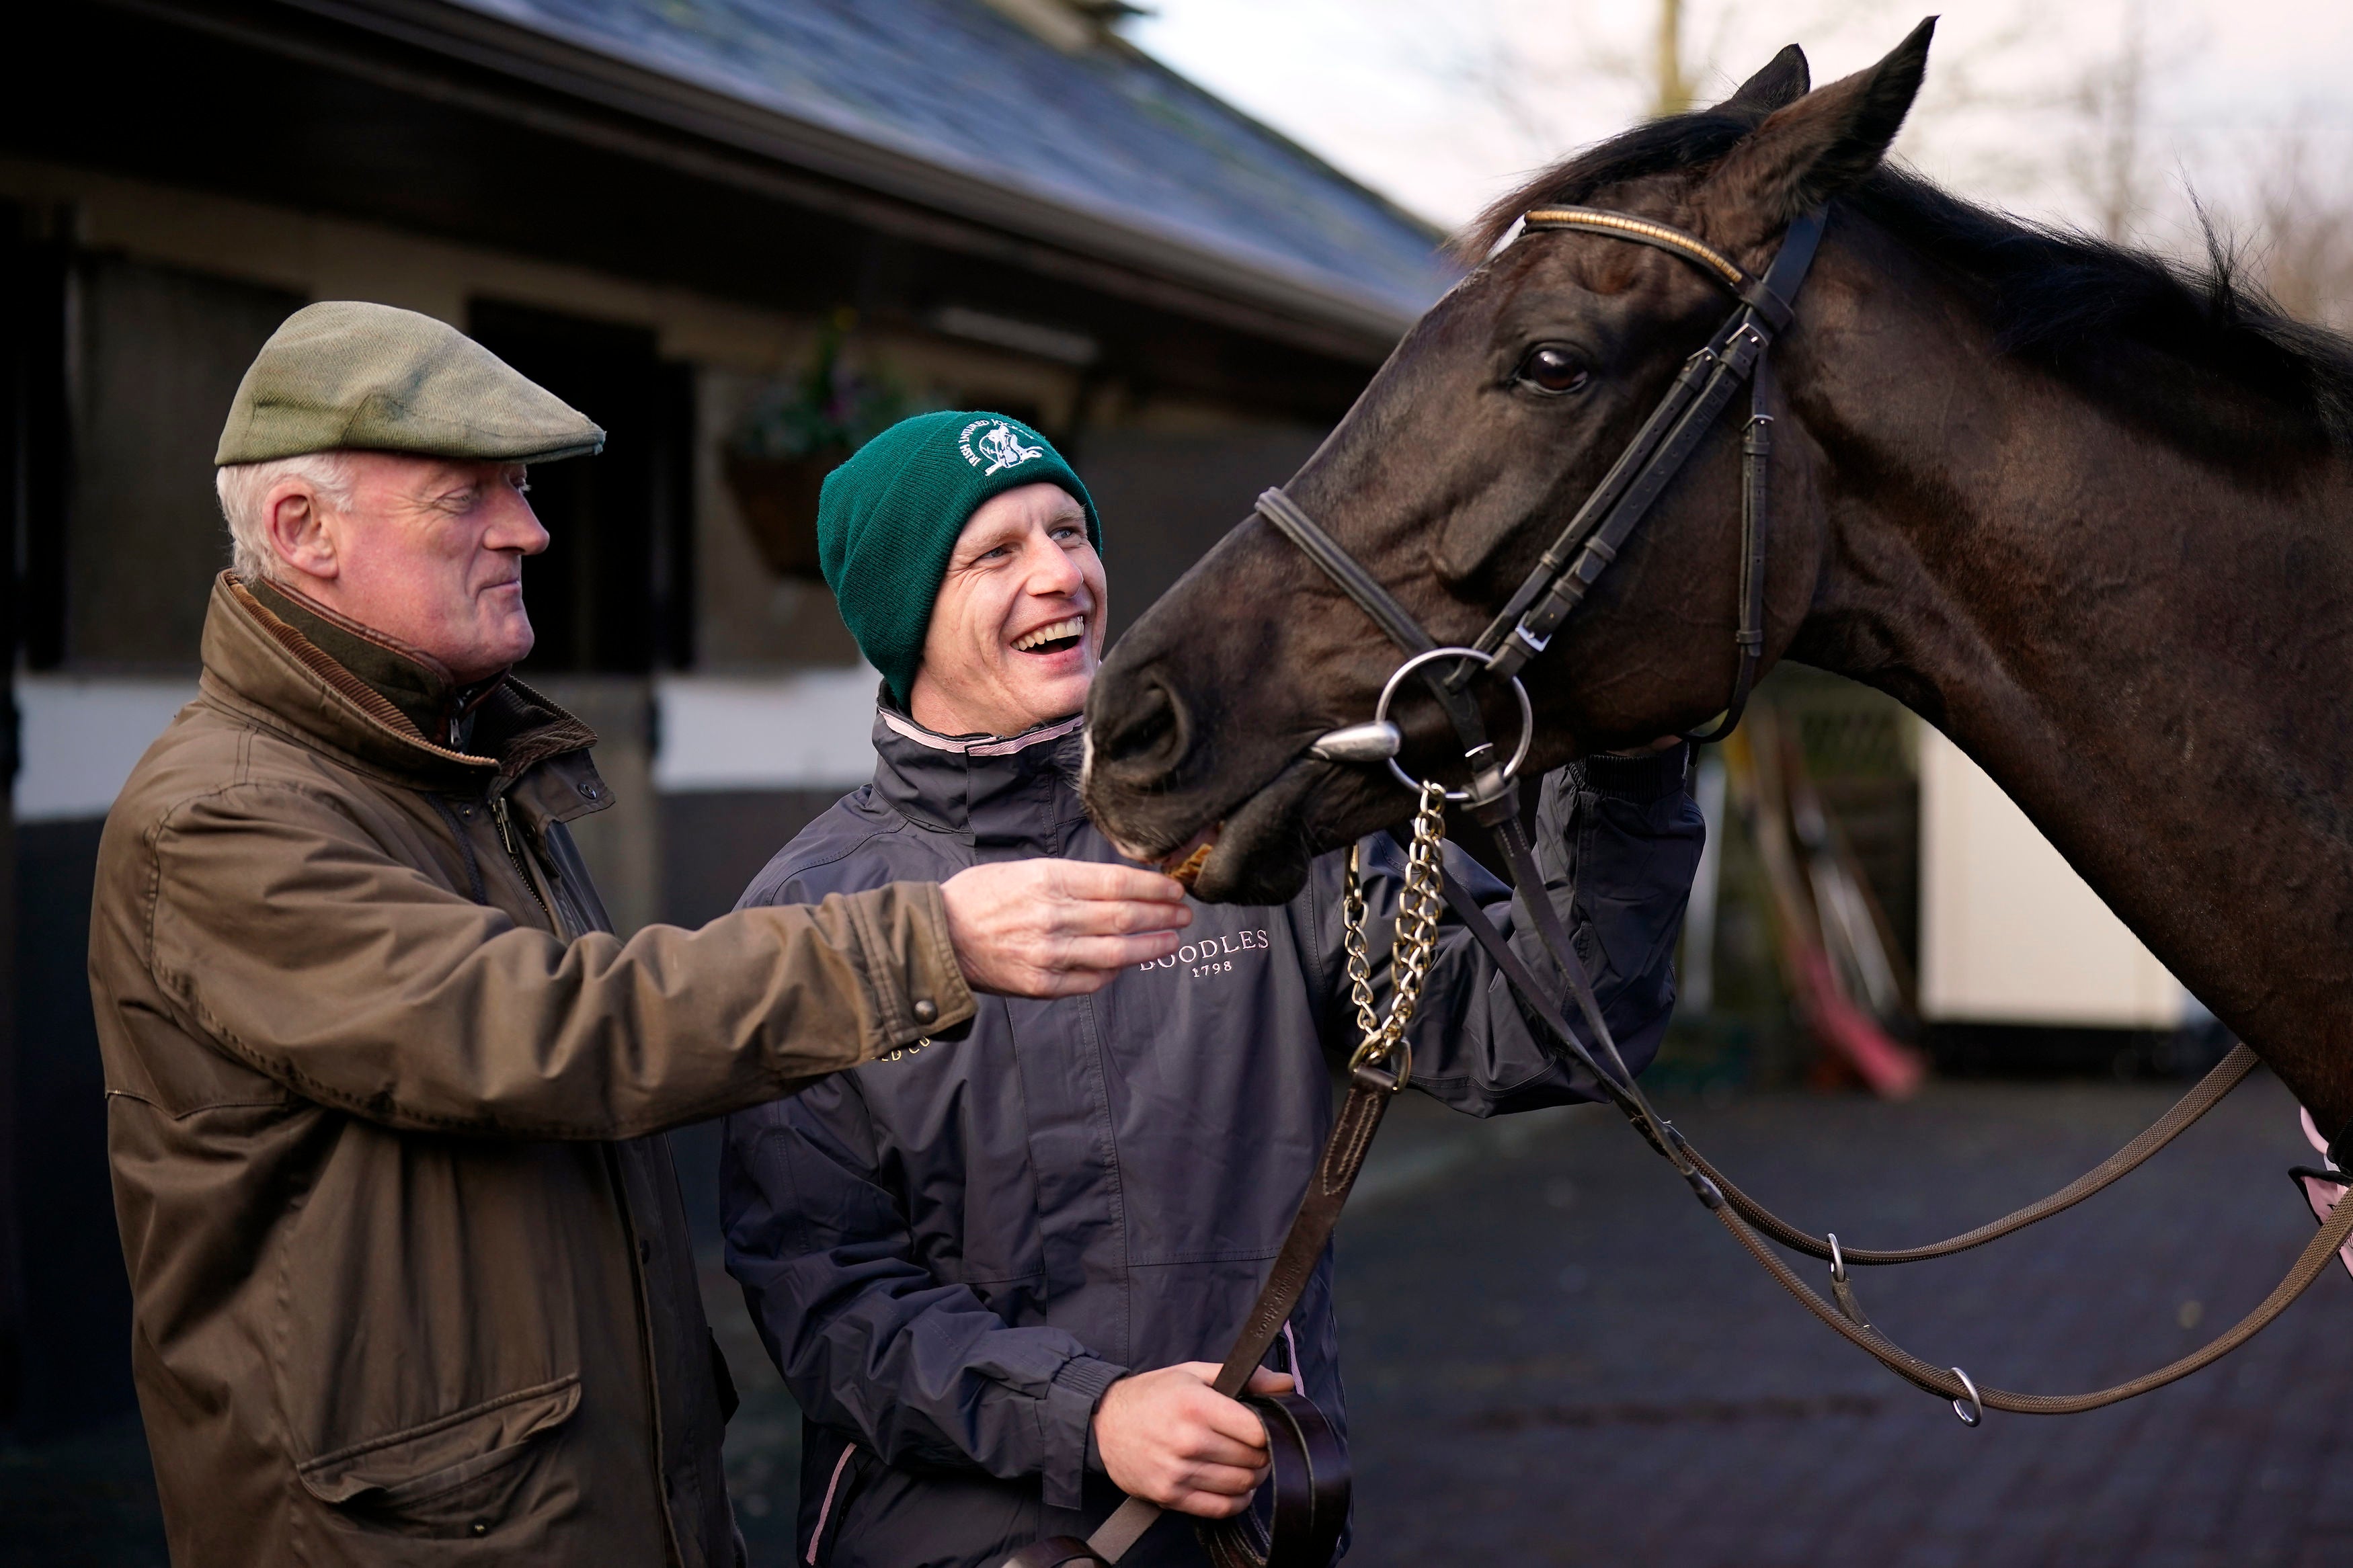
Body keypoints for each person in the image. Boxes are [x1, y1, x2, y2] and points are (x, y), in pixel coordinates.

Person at [88, 310, 1193, 1568]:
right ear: (303, 531)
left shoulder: (456, 768)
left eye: (520, 489)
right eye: (471, 497)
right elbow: (533, 1026)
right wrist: (923, 942)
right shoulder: (222, 815)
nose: (530, 528)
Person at [718, 411, 1707, 1568]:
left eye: (1069, 531)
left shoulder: (1244, 832)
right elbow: (828, 1303)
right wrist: (1091, 1417)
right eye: (996, 553)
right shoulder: (807, 919)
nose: (1061, 575)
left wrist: (1632, 757)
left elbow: (1548, 1028)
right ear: (905, 616)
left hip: (1254, 1535)